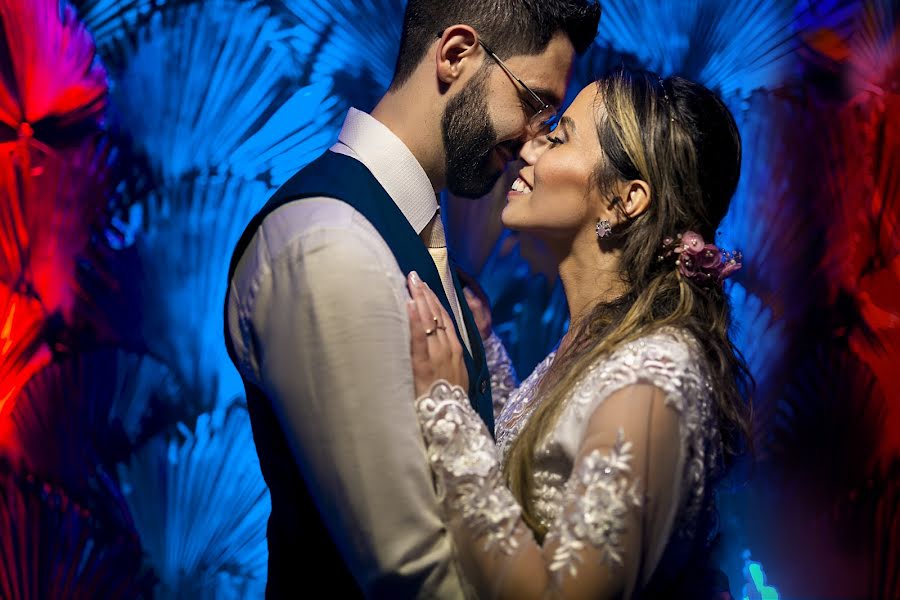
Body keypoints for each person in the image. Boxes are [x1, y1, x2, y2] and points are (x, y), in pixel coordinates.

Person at [223, 1, 602, 597]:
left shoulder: (413, 234)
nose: (536, 141)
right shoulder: (330, 244)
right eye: (534, 104)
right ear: (456, 55)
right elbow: (413, 574)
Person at [406, 68, 751, 599]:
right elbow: (535, 476)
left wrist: (447, 413)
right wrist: (481, 346)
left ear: (624, 200)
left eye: (559, 136)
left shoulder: (657, 378)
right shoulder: (596, 343)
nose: (527, 150)